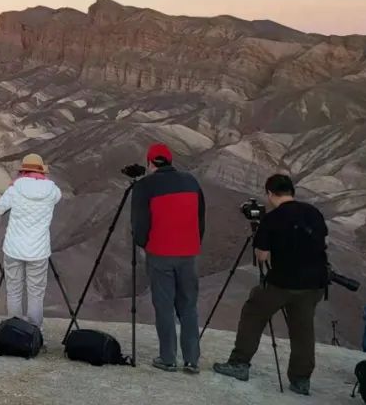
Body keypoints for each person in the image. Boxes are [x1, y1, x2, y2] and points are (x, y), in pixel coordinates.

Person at [213, 174, 328, 397]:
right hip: (314, 283)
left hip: (282, 282)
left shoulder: (272, 219)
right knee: (303, 329)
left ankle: (239, 363)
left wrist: (261, 238)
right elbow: (322, 241)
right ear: (291, 191)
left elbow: (262, 256)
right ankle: (301, 379)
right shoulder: (313, 213)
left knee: (254, 312)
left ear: (270, 193)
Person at [131, 142, 206, 374]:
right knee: (188, 306)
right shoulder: (191, 181)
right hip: (188, 252)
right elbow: (200, 217)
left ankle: (168, 358)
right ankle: (192, 360)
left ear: (150, 163)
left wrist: (144, 243)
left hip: (160, 252)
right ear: (171, 161)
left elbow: (139, 223)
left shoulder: (144, 185)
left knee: (164, 307)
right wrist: (193, 242)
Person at [0, 153, 61, 330]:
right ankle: (34, 331)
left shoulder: (16, 188)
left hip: (14, 248)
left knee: (14, 290)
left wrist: (13, 188)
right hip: (39, 250)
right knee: (36, 292)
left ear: (23, 170)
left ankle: (14, 330)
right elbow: (56, 198)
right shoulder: (53, 190)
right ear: (42, 171)